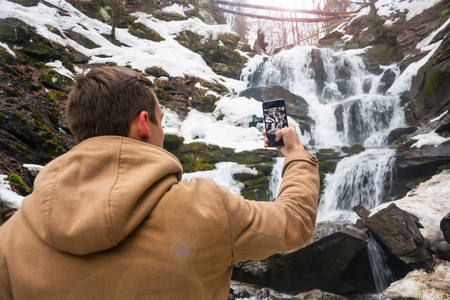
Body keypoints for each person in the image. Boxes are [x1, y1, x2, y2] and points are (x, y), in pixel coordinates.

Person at [0, 66, 319, 299]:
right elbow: (295, 222)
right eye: (160, 121)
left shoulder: (12, 237)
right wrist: (295, 151)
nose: (162, 132)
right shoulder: (206, 209)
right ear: (143, 124)